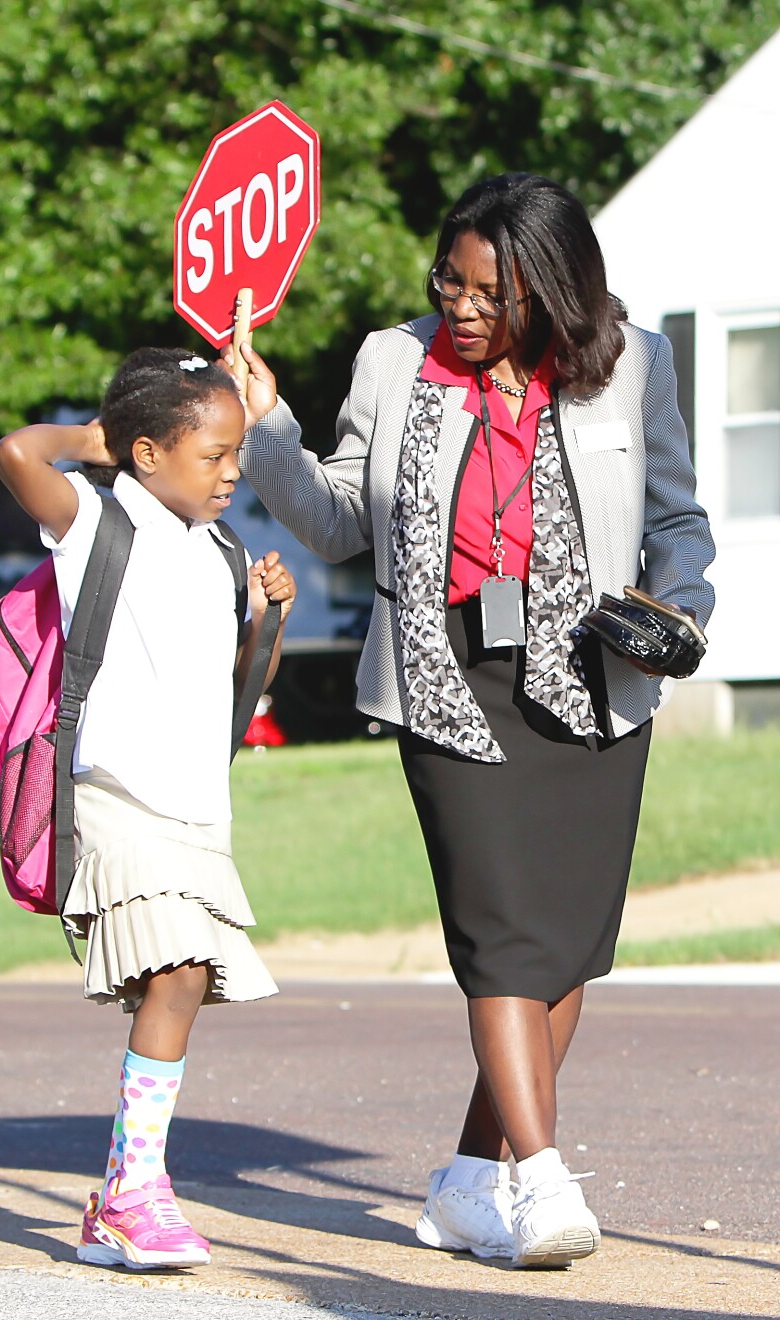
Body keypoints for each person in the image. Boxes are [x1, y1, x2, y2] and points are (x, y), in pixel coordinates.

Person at [223, 173, 715, 1268]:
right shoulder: (392, 361)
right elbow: (338, 518)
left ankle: (462, 1186)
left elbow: (676, 517)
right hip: (442, 673)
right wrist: (268, 435)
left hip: (590, 674)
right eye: (449, 279)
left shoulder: (634, 365)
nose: (462, 305)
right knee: (498, 936)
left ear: (548, 288)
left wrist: (681, 601)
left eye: (490, 290)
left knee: (568, 947)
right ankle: (538, 1181)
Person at [0, 348, 296, 1271]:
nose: (232, 471)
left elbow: (243, 690)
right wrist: (88, 443)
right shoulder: (99, 519)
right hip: (117, 794)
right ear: (148, 453)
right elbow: (16, 453)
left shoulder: (224, 552)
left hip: (196, 806)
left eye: (237, 452)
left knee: (189, 979)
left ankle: (121, 1198)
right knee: (174, 974)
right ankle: (137, 1193)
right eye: (212, 454)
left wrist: (266, 622)